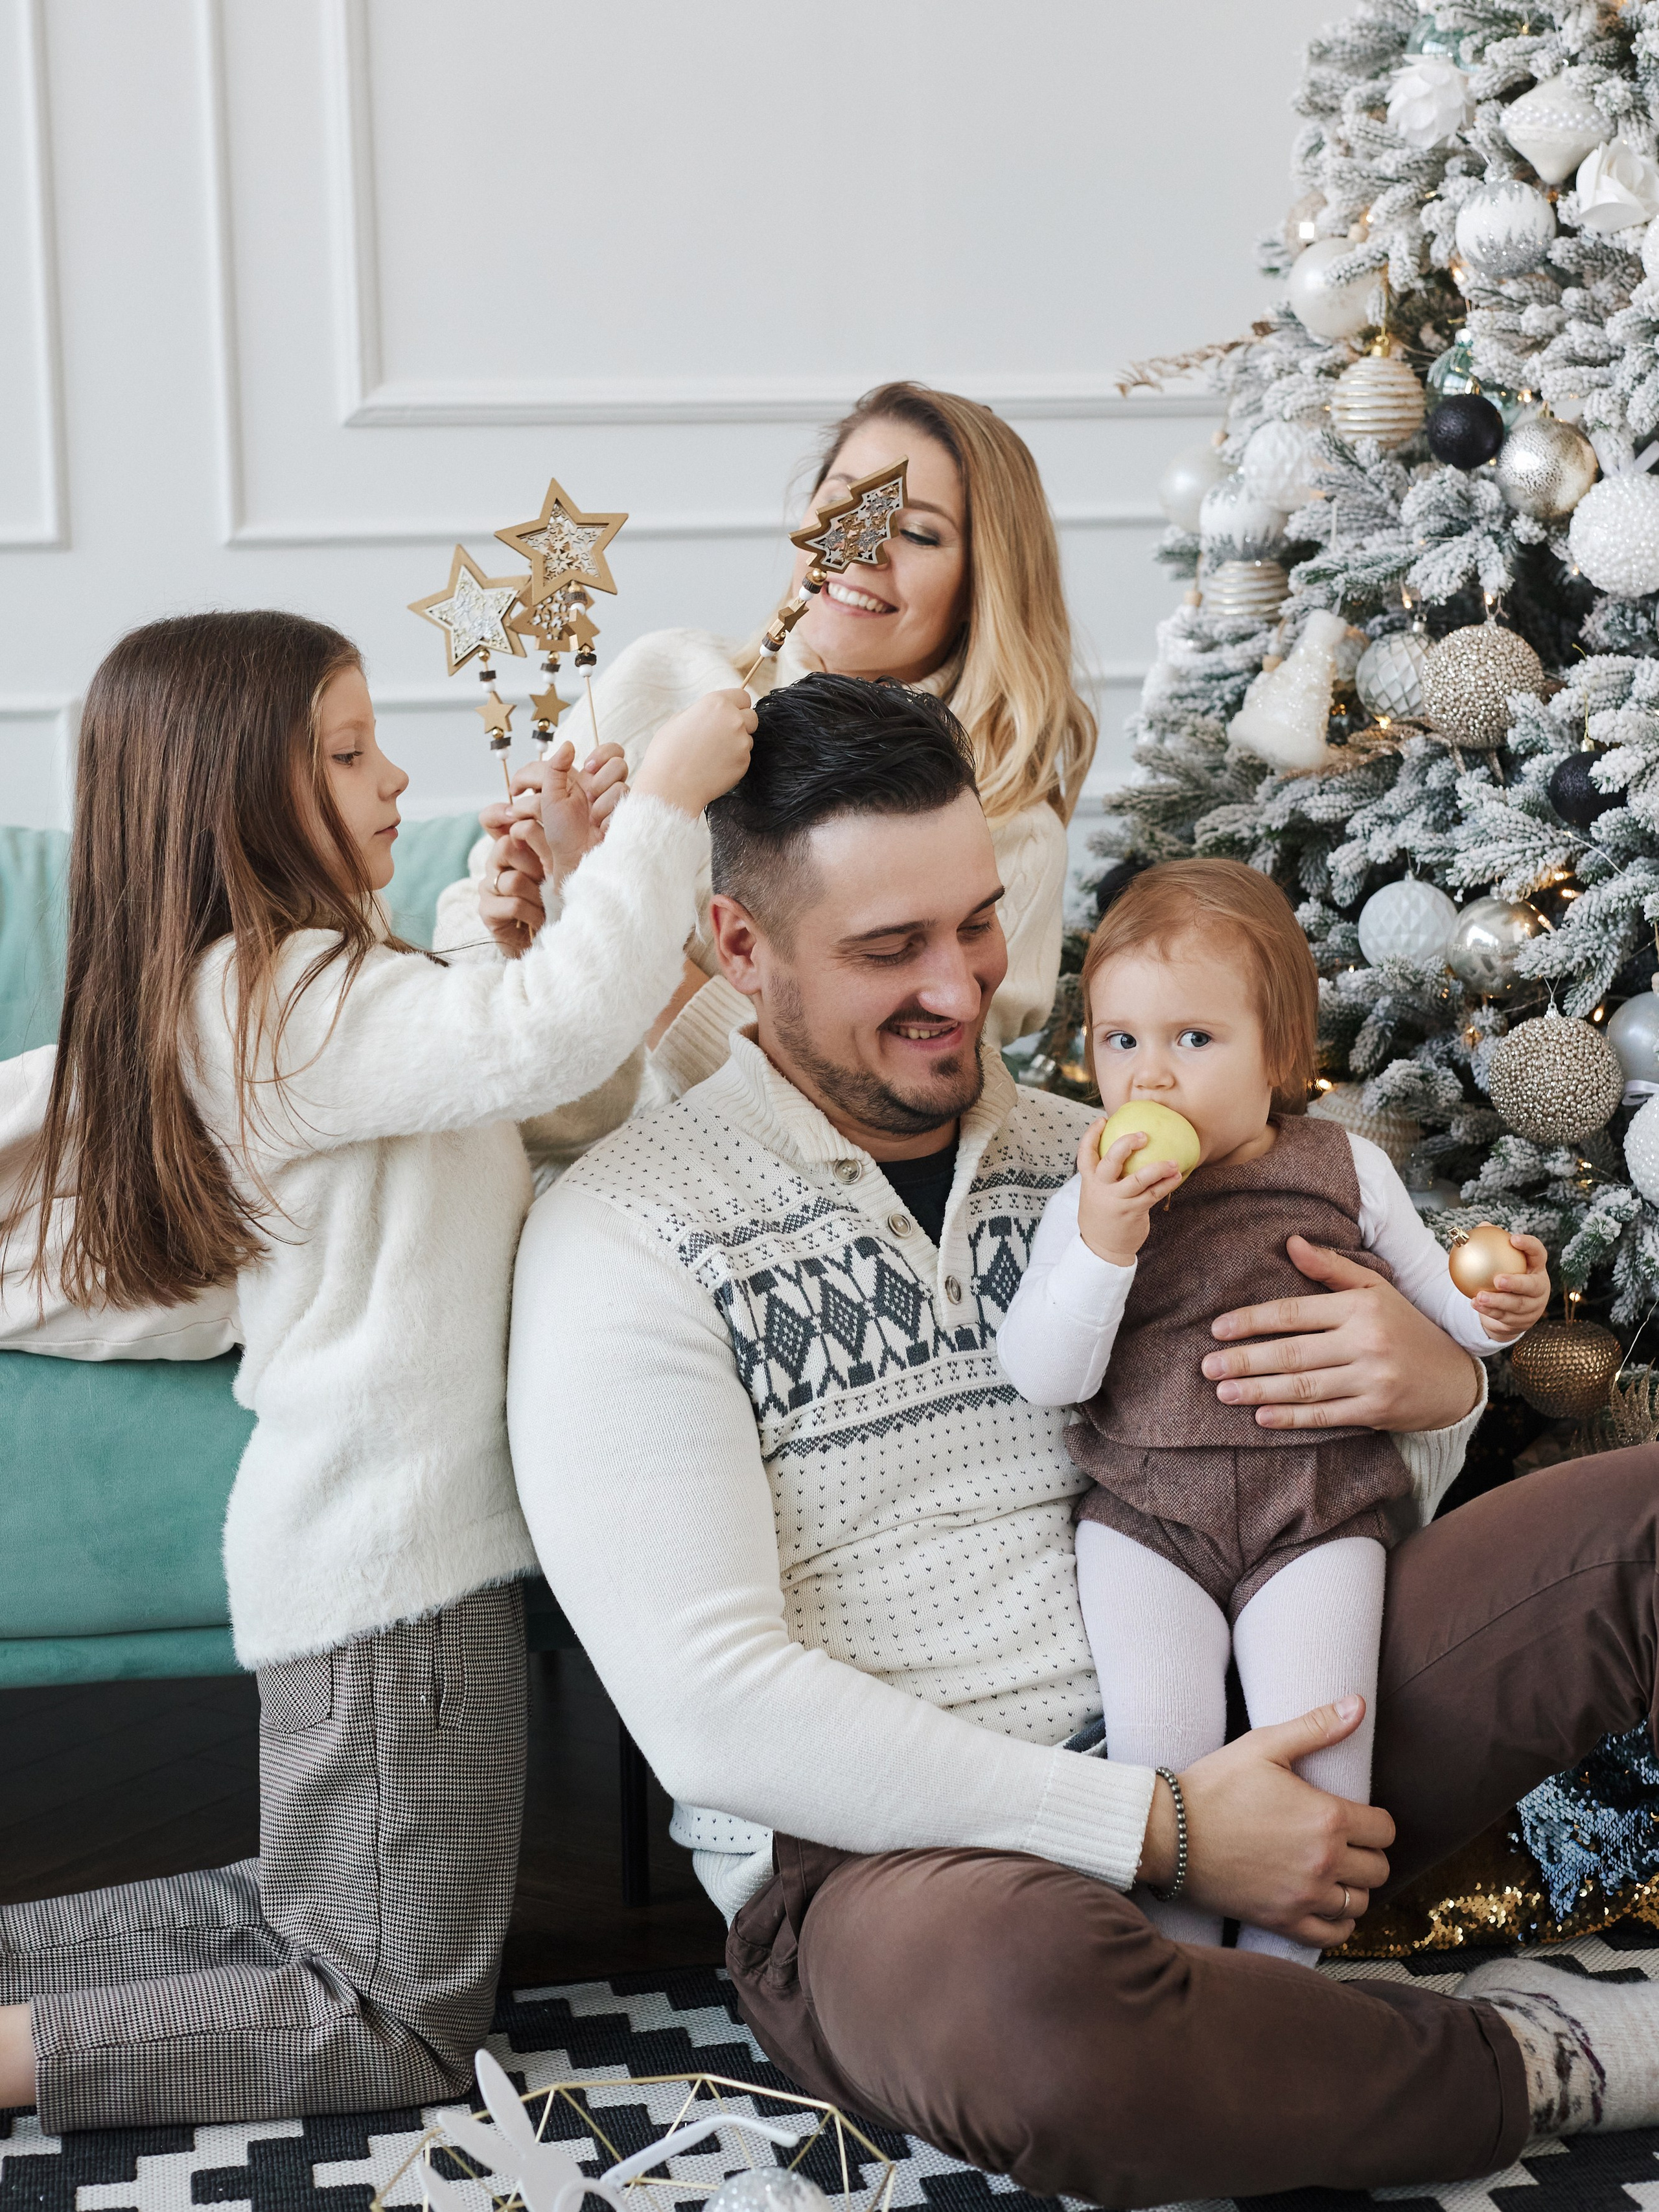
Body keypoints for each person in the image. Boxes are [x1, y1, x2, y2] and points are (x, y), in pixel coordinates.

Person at [508, 668, 1659, 2207]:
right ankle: (1533, 2057)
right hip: (904, 1864)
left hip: (1275, 1711)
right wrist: (1164, 1827)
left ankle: (1270, 2027)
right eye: (885, 949)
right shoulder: (624, 1235)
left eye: (973, 920)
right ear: (739, 947)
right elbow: (716, 1708)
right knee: (1039, 2024)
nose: (961, 984)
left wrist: (1428, 1395)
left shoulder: (1113, 1148)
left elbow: (1306, 1502)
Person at [0, 610, 754, 2129]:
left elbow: (537, 1086)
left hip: (363, 1557)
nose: (394, 776)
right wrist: (666, 807)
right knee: (391, 2020)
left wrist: (508, 909)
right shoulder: (276, 999)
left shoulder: (312, 989)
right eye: (347, 752)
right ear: (233, 795)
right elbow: (533, 1044)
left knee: (303, 1907)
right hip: (389, 1568)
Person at [995, 859, 1551, 1965]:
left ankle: (1289, 1987)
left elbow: (1446, 1313)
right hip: (1148, 1517)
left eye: (1194, 1040)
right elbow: (1043, 1370)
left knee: (1325, 1746)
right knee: (1164, 1749)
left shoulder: (1341, 1167)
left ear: (1280, 1056)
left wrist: (1497, 1306)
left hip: (1317, 1511)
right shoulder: (1090, 1193)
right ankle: (1183, 1974)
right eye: (1120, 1041)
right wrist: (1105, 1243)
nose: (1149, 1077)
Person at [434, 380, 1095, 1104]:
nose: (862, 547)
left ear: (983, 582)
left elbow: (878, 1107)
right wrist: (514, 927)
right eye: (841, 502)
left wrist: (621, 865)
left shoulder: (1007, 827)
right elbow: (470, 952)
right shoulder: (663, 680)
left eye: (917, 532)